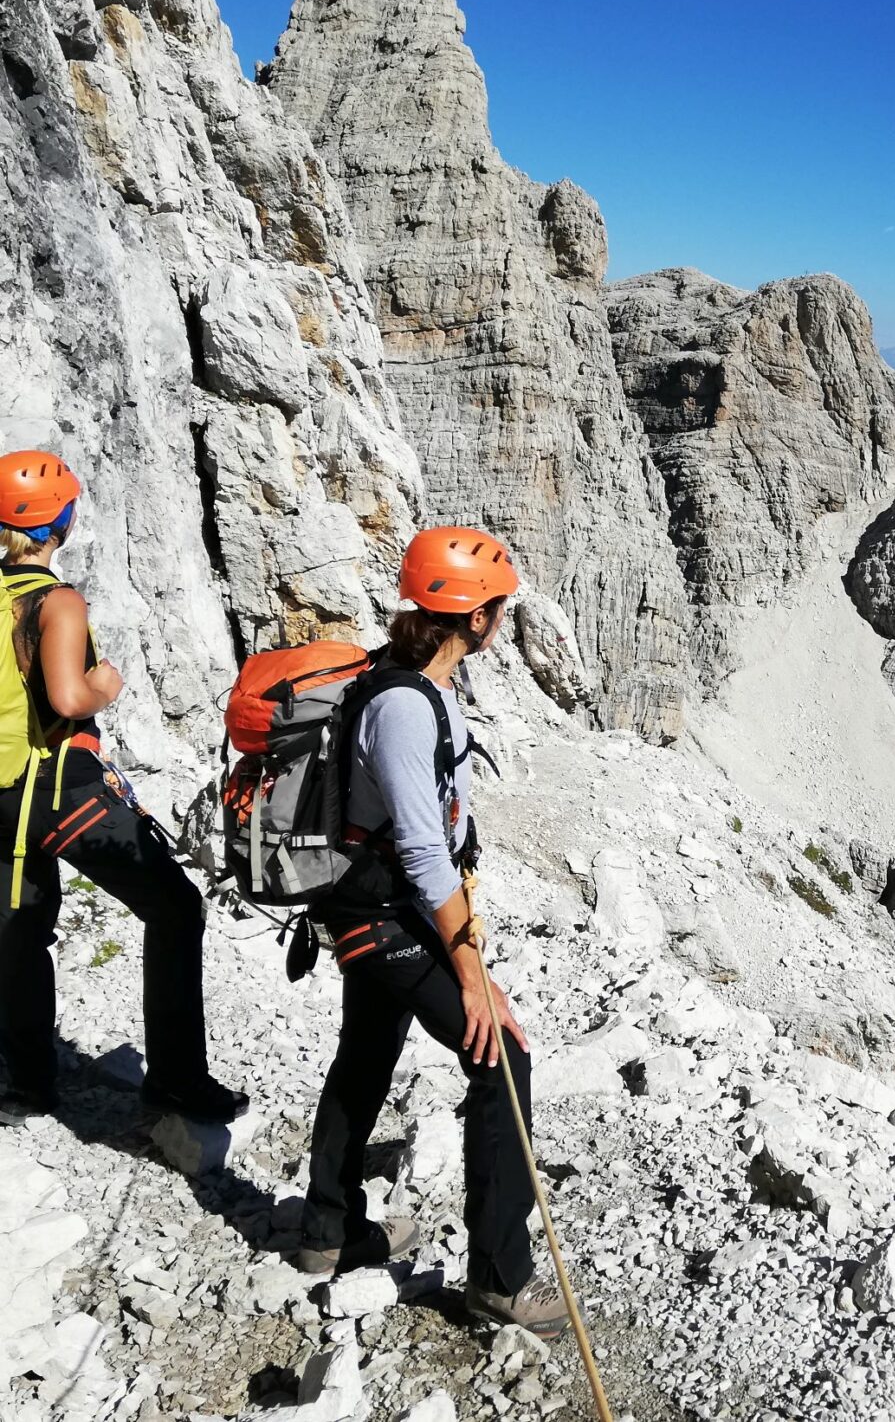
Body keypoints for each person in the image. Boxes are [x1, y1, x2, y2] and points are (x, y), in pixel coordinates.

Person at [293, 526, 566, 1337]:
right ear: (474, 617)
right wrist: (471, 965)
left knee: (367, 1052)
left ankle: (327, 1226)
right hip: (384, 915)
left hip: (373, 907)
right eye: (500, 608)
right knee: (502, 1054)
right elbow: (420, 845)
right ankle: (499, 1279)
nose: (505, 621)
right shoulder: (406, 707)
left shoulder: (414, 683)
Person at [0, 449, 247, 1124]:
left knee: (19, 928)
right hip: (58, 786)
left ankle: (26, 1085)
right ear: (63, 520)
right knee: (174, 909)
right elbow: (71, 695)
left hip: (1, 794)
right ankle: (174, 1081)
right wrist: (108, 680)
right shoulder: (56, 601)